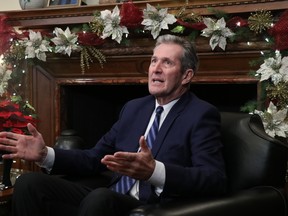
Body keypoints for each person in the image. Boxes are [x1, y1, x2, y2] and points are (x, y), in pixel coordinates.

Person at [0, 34, 226, 216]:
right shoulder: (134, 108)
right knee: (29, 183)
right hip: (111, 198)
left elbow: (213, 179)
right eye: (153, 60)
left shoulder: (201, 114)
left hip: (154, 206)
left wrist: (154, 171)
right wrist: (44, 154)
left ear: (186, 76)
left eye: (167, 63)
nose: (155, 68)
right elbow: (94, 158)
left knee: (101, 197)